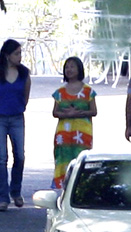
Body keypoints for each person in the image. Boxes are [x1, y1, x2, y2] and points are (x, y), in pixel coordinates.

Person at [0, 39, 31, 212]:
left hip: (17, 117)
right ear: (7, 55)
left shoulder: (24, 74)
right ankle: (3, 197)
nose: (19, 57)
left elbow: (25, 96)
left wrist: (20, 107)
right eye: (16, 53)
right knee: (2, 157)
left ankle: (15, 191)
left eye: (20, 53)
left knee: (20, 155)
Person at [51, 57, 97, 189]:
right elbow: (55, 112)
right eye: (67, 67)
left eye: (72, 67)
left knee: (81, 159)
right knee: (63, 159)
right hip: (64, 135)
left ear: (79, 69)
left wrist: (77, 113)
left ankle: (81, 188)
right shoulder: (59, 92)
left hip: (82, 134)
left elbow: (94, 111)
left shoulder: (88, 91)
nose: (69, 70)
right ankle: (62, 188)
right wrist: (66, 115)